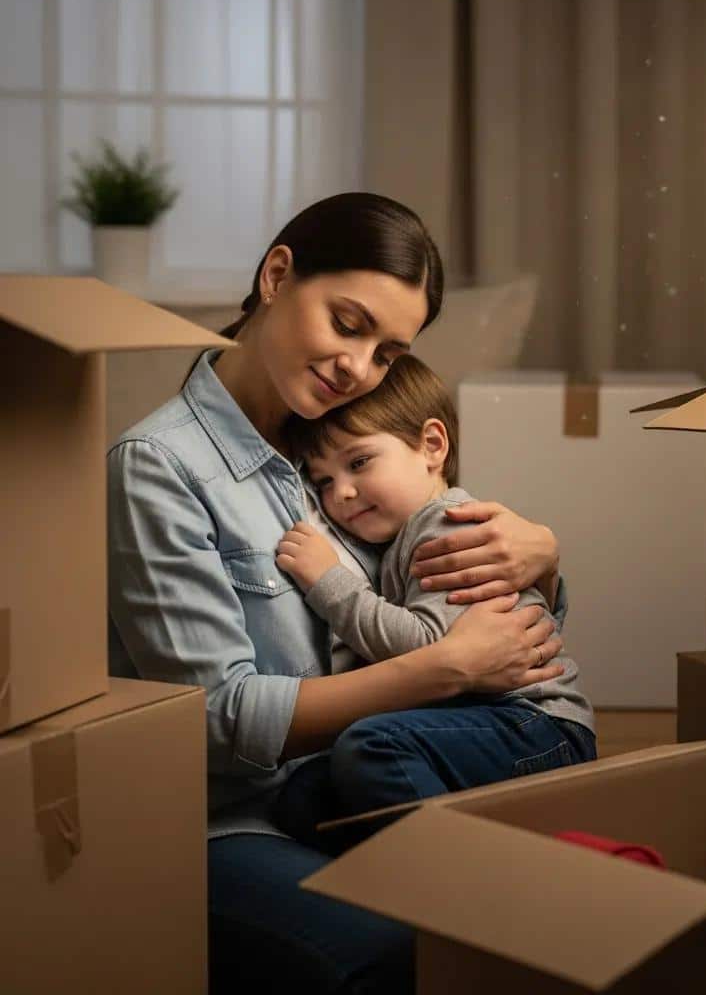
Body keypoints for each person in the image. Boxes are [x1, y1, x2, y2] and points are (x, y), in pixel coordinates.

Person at [107, 193, 569, 995]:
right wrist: (444, 669)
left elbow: (450, 594)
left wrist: (543, 560)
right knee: (410, 950)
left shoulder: (341, 442)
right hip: (233, 821)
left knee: (547, 919)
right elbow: (216, 721)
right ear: (278, 275)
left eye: (388, 352)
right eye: (347, 324)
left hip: (358, 785)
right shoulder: (159, 465)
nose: (359, 367)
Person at [270, 354, 596, 842]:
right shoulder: (400, 537)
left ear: (431, 445)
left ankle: (457, 874)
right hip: (478, 722)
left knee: (371, 748)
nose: (343, 493)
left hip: (535, 726)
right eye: (323, 482)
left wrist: (330, 583)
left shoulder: (445, 527)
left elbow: (432, 650)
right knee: (304, 796)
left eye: (358, 463)